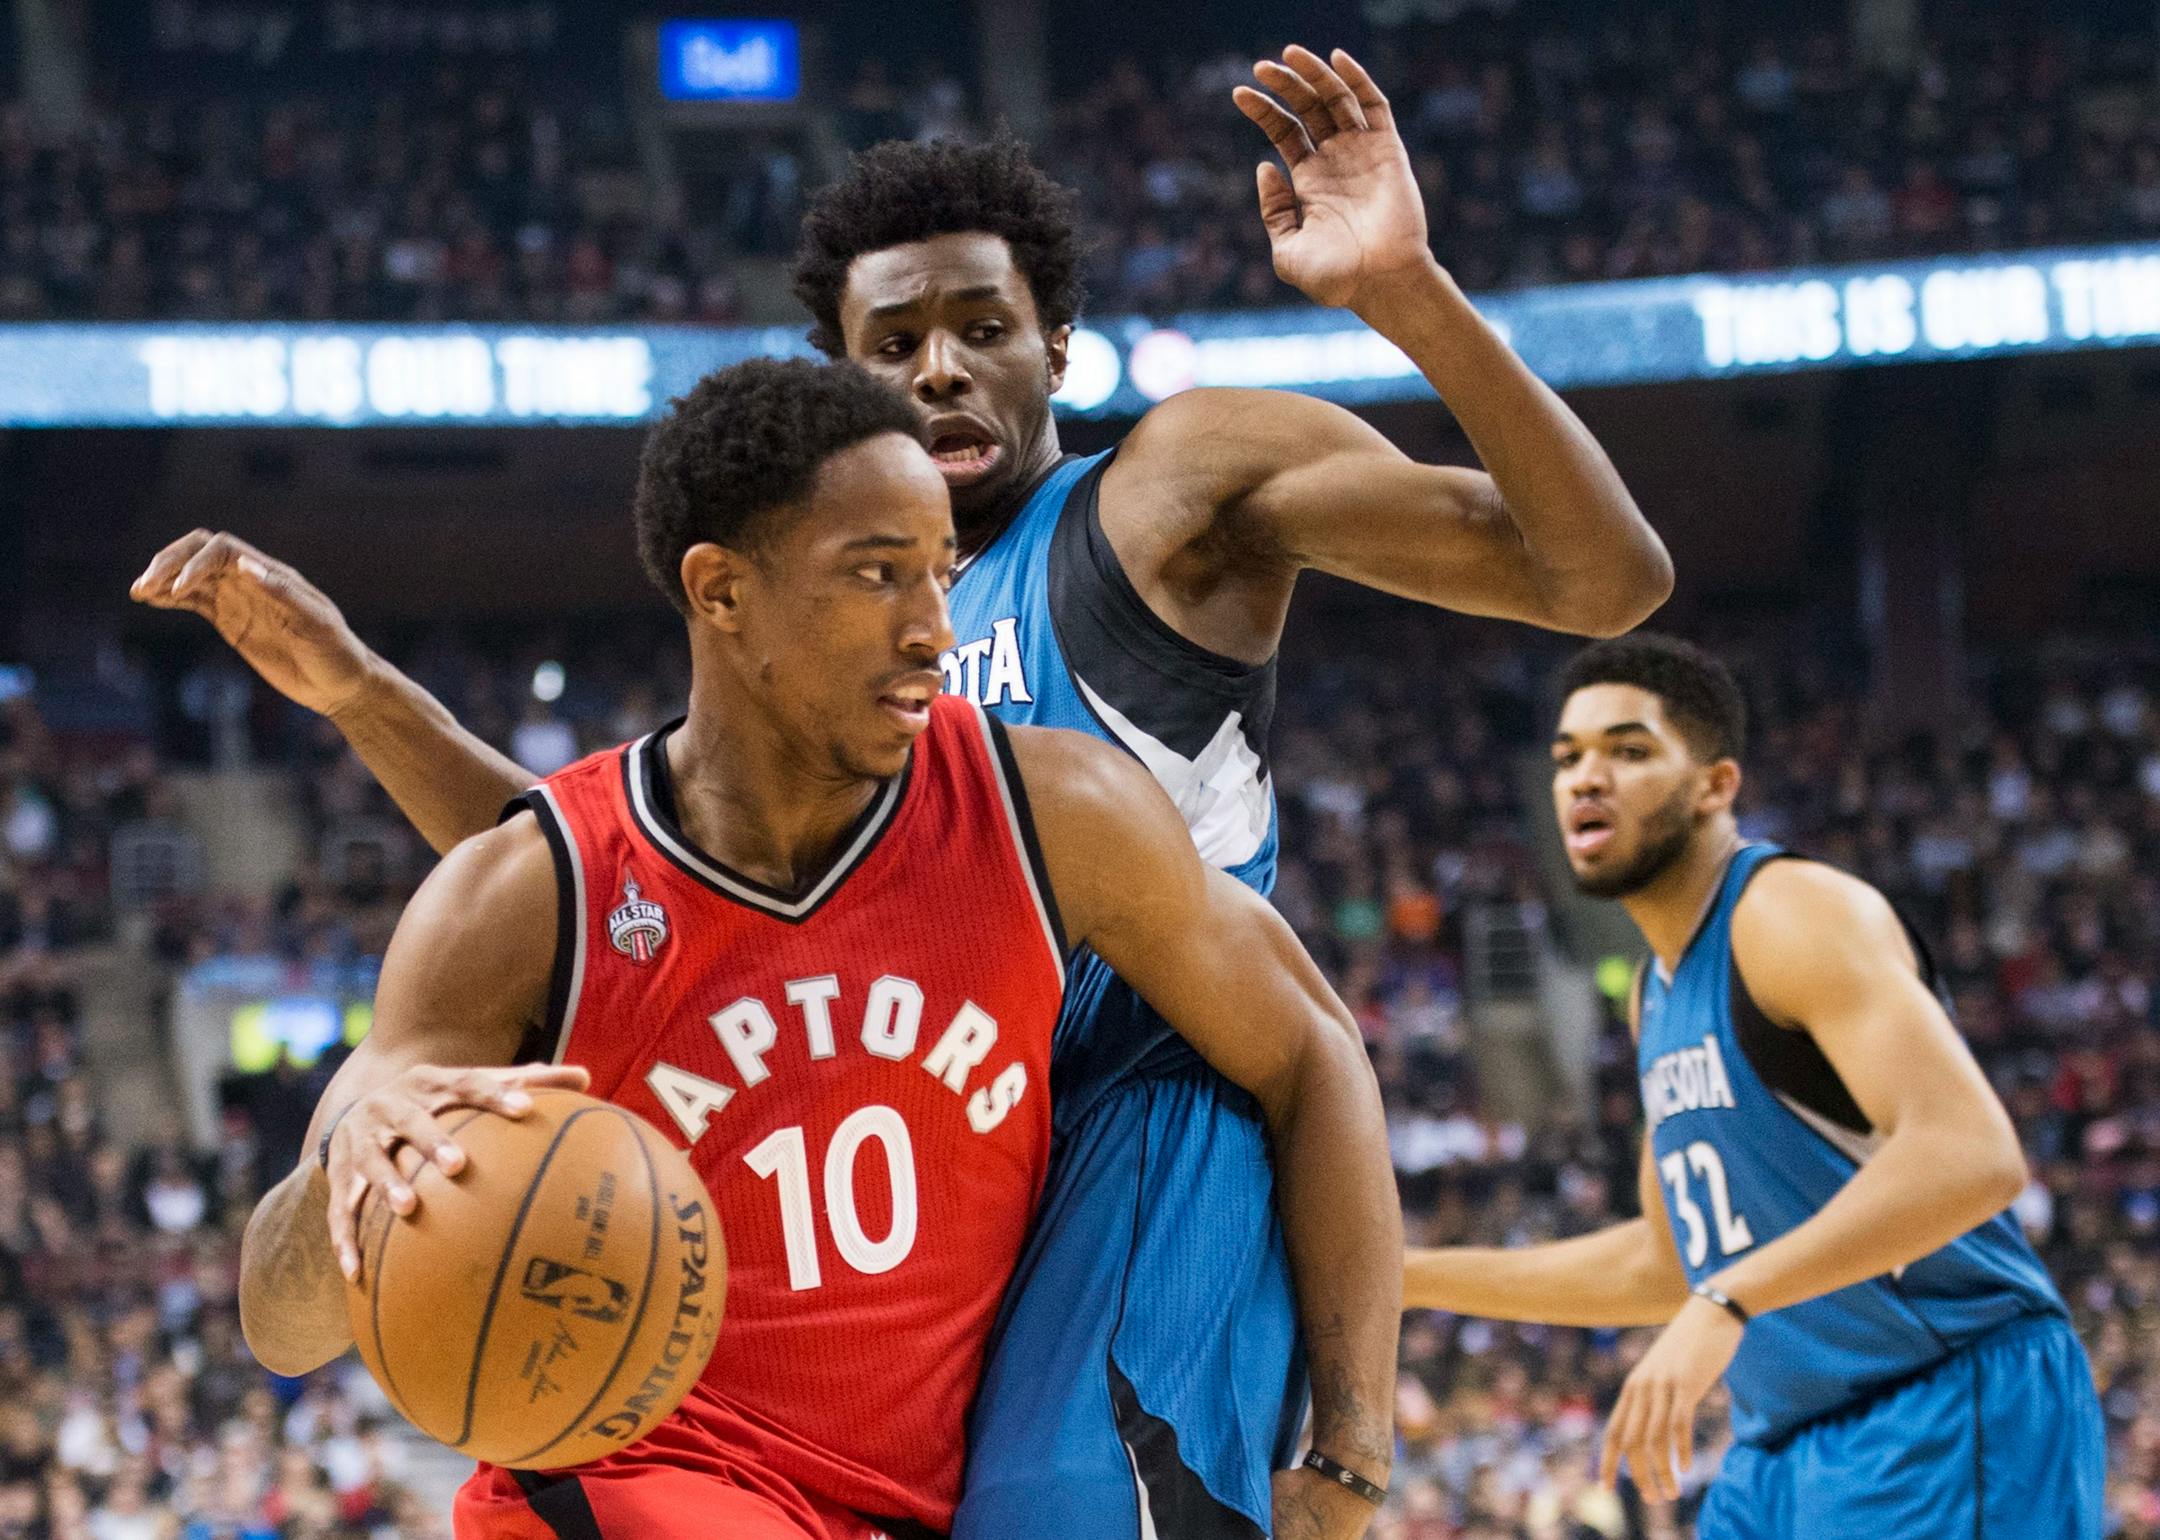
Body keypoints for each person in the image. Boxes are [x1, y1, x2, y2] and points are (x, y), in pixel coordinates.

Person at [136, 46, 1668, 1537]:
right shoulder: (839, 631)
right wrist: (362, 698)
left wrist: (1405, 293)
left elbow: (1601, 578)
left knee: (1053, 1510)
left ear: (1056, 345)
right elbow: (620, 871)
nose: (942, 364)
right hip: (956, 1141)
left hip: (1150, 1090)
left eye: (983, 324)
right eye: (895, 343)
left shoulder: (1166, 489)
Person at [228, 360, 1400, 1540]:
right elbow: (281, 1327)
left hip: (915, 1507)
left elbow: (1310, 1050)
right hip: (632, 1485)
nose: (934, 629)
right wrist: (344, 1175)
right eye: (877, 574)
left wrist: (1349, 1460)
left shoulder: (1060, 814)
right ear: (722, 591)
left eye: (941, 574)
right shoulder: (524, 896)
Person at [1403, 634, 2104, 1537]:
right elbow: (1667, 1264)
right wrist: (1415, 1279)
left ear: (1715, 786)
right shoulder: (1653, 997)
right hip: (1782, 1454)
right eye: (1568, 757)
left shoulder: (1789, 912)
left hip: (1945, 1400)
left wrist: (1728, 1300)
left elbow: (1972, 1155)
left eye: (1628, 750)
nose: (1585, 778)